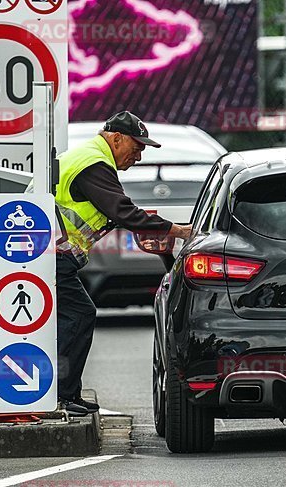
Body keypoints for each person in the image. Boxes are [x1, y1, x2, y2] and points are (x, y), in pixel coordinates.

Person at [55, 111, 191, 416]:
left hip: (45, 253)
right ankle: (62, 395)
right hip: (50, 255)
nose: (138, 157)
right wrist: (178, 231)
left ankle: (62, 392)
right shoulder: (93, 163)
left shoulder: (89, 157)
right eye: (137, 147)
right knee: (80, 314)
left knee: (68, 319)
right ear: (116, 138)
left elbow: (109, 212)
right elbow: (123, 211)